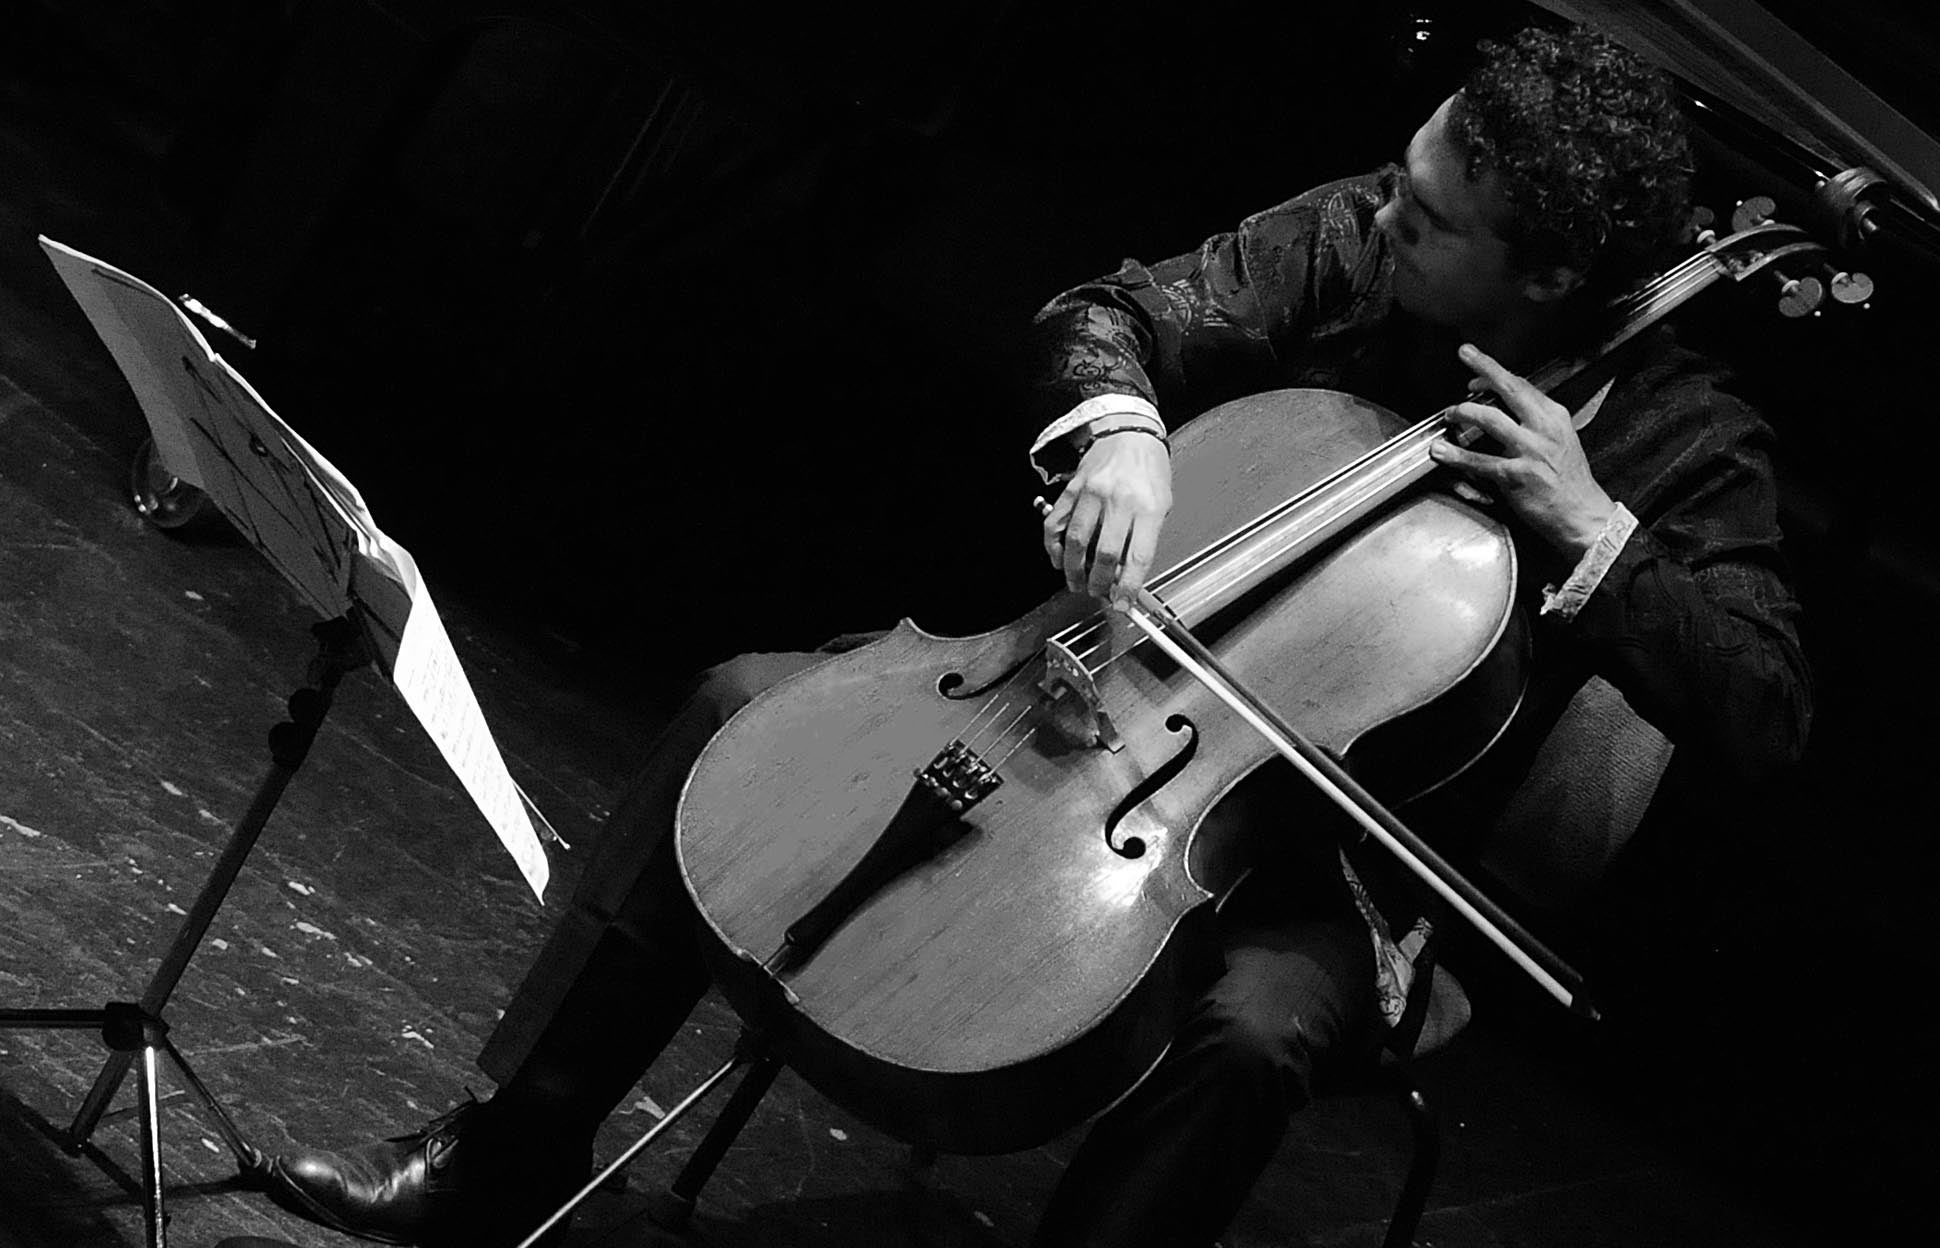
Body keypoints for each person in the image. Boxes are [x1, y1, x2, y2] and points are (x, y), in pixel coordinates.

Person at [260, 23, 1810, 1248]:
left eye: (1429, 217)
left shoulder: (1687, 444)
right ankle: (506, 1152)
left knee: (1253, 1031)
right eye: (1401, 182)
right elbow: (1114, 309)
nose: (1383, 215)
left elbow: (1761, 708)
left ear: (1545, 275)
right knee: (745, 701)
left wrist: (1592, 531)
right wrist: (1124, 429)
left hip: (1343, 862)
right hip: (1093, 696)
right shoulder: (1364, 237)